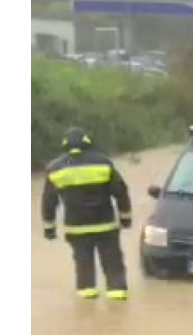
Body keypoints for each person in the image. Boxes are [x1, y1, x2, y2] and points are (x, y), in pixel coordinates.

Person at [41, 127, 133, 300]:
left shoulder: (55, 169)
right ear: (88, 143)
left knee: (83, 262)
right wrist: (125, 218)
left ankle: (87, 292)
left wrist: (49, 228)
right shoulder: (103, 163)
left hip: (76, 229)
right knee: (112, 262)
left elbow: (48, 202)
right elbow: (121, 191)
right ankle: (117, 292)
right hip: (105, 225)